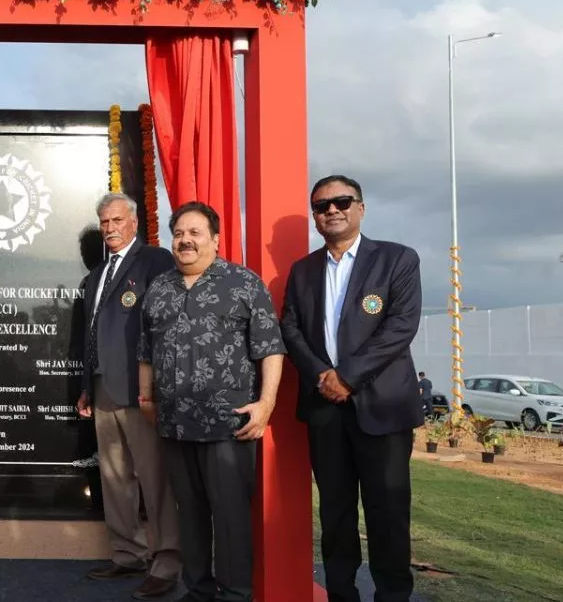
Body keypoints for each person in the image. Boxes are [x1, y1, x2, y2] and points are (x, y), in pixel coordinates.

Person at [280, 175, 423, 602]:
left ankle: (393, 595)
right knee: (335, 513)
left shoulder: (397, 259)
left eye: (342, 201)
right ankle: (341, 595)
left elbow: (401, 327)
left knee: (388, 513)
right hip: (326, 411)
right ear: (315, 217)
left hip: (383, 408)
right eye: (321, 206)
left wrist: (348, 377)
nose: (332, 210)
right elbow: (291, 328)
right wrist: (323, 376)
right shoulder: (303, 271)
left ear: (360, 207)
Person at [137, 202, 285, 602]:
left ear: (215, 240)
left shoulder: (243, 283)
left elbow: (270, 348)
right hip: (174, 423)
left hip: (228, 423)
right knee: (190, 514)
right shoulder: (159, 288)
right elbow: (145, 350)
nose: (185, 240)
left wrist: (266, 403)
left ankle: (235, 593)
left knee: (231, 516)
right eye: (178, 233)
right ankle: (199, 590)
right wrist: (146, 397)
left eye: (195, 233)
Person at [76, 192, 181, 600]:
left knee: (155, 480)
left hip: (141, 391)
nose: (110, 228)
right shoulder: (98, 275)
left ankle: (167, 561)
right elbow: (90, 335)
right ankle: (127, 554)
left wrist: (152, 385)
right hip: (104, 389)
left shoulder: (155, 261)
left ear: (134, 223)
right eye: (105, 222)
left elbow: (163, 325)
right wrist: (87, 386)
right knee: (115, 478)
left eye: (117, 220)